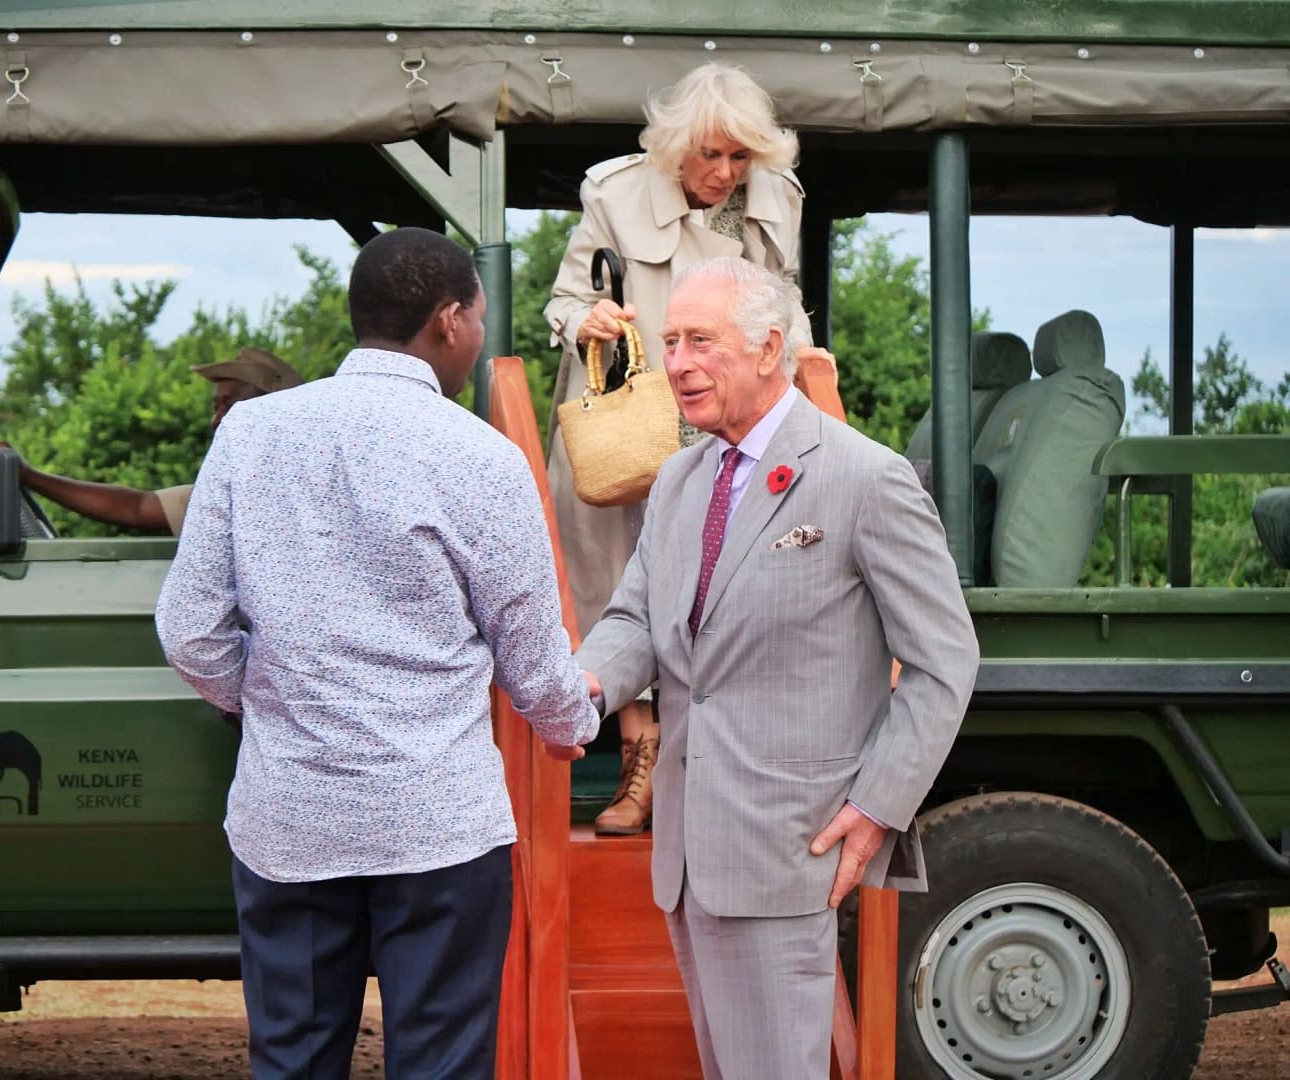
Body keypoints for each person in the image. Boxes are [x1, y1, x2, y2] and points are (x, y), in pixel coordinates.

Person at [154, 227, 599, 1080]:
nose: (476, 333)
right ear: (448, 321)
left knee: (292, 1060)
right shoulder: (483, 458)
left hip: (292, 816)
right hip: (438, 824)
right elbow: (534, 656)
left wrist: (265, 700)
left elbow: (189, 629)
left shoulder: (251, 437)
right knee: (438, 1065)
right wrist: (569, 722)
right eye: (476, 314)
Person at [576, 257, 979, 1078]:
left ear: (767, 349)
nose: (678, 362)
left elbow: (944, 661)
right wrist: (578, 688)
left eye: (699, 341)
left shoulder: (866, 477)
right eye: (670, 341)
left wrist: (877, 808)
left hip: (791, 847)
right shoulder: (680, 479)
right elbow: (633, 623)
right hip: (688, 853)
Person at [544, 61, 832, 835]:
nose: (726, 173)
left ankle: (706, 776)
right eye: (711, 155)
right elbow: (565, 300)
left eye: (741, 157)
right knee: (619, 586)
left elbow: (786, 306)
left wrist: (808, 363)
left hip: (728, 417)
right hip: (632, 419)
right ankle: (640, 768)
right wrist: (589, 322)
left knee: (726, 587)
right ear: (675, 147)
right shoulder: (613, 192)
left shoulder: (779, 200)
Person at [0, 347, 302, 535]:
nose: (217, 421)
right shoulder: (229, 494)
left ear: (271, 414)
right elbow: (138, 507)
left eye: (229, 405)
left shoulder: (300, 495)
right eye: (215, 407)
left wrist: (29, 474)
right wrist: (29, 475)